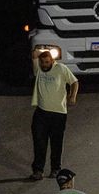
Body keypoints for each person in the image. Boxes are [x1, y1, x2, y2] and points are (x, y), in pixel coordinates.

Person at [29, 49, 79, 181]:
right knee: (39, 142)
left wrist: (72, 96)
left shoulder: (61, 69)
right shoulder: (38, 69)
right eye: (42, 62)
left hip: (58, 113)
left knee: (56, 142)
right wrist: (43, 51)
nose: (44, 64)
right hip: (41, 112)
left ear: (52, 61)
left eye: (47, 62)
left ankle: (55, 168)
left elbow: (74, 82)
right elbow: (34, 53)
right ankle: (38, 170)